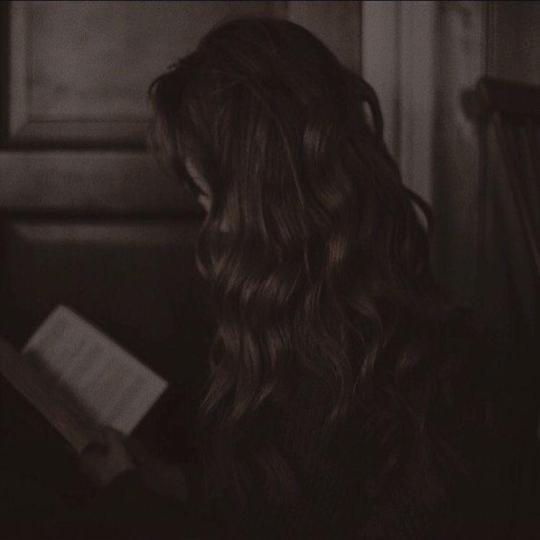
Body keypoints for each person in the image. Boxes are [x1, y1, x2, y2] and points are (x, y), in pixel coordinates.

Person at [73, 16, 538, 539]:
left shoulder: (434, 387)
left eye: (210, 199)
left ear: (268, 197)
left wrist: (131, 502)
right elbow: (280, 501)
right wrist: (168, 482)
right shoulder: (298, 322)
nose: (212, 228)